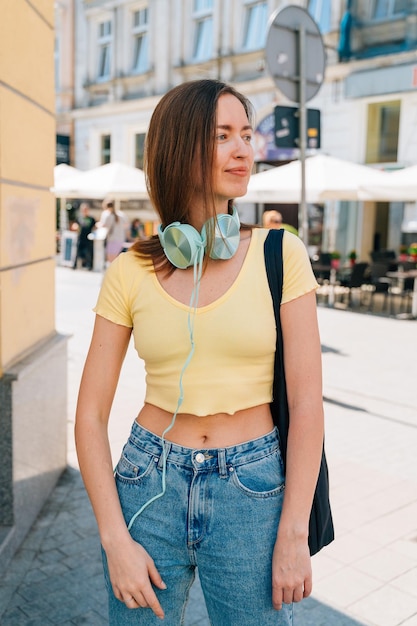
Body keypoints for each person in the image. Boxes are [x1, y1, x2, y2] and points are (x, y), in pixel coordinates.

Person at [75, 79, 325, 625]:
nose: (243, 150)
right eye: (221, 136)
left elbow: (307, 405)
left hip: (252, 488)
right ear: (179, 148)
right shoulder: (129, 272)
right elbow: (90, 417)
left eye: (245, 134)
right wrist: (115, 540)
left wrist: (292, 533)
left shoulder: (280, 253)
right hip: (148, 483)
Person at [72, 202, 96, 270]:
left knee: (89, 253)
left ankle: (89, 266)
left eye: (86, 209)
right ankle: (75, 265)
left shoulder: (92, 219)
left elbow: (95, 227)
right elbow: (75, 225)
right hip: (80, 238)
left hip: (89, 239)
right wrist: (75, 227)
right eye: (83, 209)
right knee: (77, 252)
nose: (85, 210)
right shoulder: (79, 218)